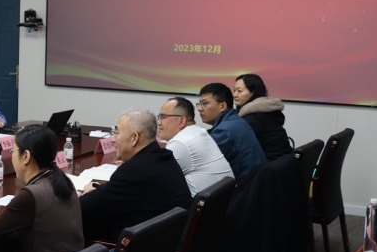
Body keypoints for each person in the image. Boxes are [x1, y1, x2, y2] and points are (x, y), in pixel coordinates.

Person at [0, 124, 85, 252]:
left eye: (13, 151)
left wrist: (0, 225)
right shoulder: (62, 181)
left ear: (26, 156)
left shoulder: (30, 195)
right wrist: (4, 221)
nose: (11, 156)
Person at [79, 109, 191, 243]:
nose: (113, 139)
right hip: (170, 238)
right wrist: (97, 191)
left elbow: (83, 208)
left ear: (134, 138)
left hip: (148, 247)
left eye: (117, 133)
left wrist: (84, 194)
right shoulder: (163, 157)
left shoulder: (135, 170)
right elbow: (115, 194)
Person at [157, 96, 234, 195]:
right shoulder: (197, 132)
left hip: (199, 204)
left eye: (163, 117)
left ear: (181, 121)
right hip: (221, 201)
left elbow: (154, 178)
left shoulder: (181, 142)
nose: (159, 122)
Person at [198, 82, 266, 185]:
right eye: (199, 103)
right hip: (256, 184)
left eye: (205, 103)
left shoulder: (224, 131)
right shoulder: (234, 120)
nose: (199, 108)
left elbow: (201, 164)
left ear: (222, 106)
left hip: (245, 189)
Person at [232, 73, 292, 160]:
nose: (235, 94)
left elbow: (237, 147)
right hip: (282, 162)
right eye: (234, 90)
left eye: (239, 91)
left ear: (253, 92)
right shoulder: (266, 110)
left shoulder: (254, 118)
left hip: (270, 164)